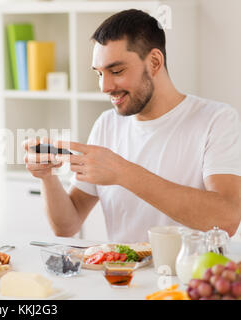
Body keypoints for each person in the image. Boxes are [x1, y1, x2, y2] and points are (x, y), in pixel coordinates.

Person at [23, 9, 241, 243]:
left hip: (192, 277)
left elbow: (227, 219)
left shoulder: (216, 119)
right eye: (99, 73)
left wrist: (122, 172)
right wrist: (47, 178)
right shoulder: (107, 124)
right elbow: (67, 226)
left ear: (155, 62)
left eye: (116, 71)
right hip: (123, 278)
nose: (104, 86)